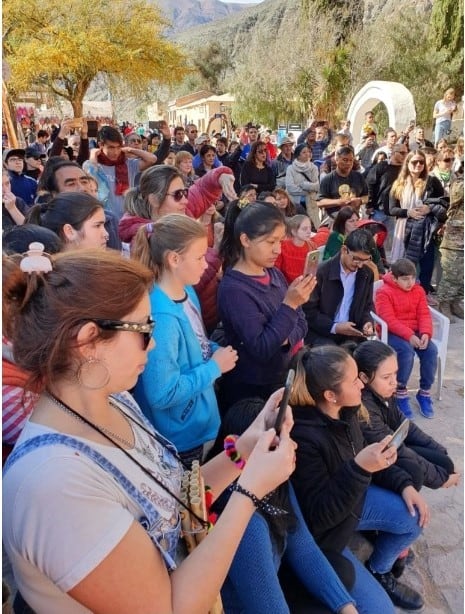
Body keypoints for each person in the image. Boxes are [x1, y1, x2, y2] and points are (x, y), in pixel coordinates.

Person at [2, 247, 296, 614]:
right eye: (144, 329)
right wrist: (249, 492)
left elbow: (171, 502)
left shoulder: (113, 399)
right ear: (88, 340)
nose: (153, 343)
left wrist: (245, 450)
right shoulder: (54, 484)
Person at [290, 345, 426, 613]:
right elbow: (318, 518)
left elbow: (368, 455)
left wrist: (404, 484)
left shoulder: (347, 412)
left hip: (355, 502)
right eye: (354, 380)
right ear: (331, 395)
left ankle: (379, 569)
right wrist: (359, 469)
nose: (361, 385)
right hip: (329, 533)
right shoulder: (304, 438)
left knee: (415, 516)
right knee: (382, 610)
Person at [209, 397, 358, 614]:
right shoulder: (248, 524)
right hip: (247, 607)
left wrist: (347, 607)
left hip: (270, 578)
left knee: (341, 572)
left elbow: (303, 547)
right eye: (279, 441)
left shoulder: (273, 481)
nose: (294, 445)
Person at [131, 215, 238, 466]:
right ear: (174, 259)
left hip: (201, 419)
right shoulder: (162, 316)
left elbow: (196, 341)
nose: (207, 264)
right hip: (182, 437)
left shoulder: (187, 290)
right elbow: (162, 393)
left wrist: (213, 350)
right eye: (200, 257)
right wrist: (214, 367)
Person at [218, 201, 313, 411]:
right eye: (270, 242)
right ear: (245, 240)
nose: (278, 249)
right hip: (254, 389)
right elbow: (262, 347)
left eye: (280, 241)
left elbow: (303, 322)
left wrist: (285, 339)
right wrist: (289, 305)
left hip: (283, 374)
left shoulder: (273, 274)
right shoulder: (234, 289)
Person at [120, 165, 236, 332]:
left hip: (202, 316)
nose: (186, 200)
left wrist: (221, 175)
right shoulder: (146, 238)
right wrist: (216, 252)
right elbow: (187, 281)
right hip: (185, 326)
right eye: (178, 195)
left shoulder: (174, 213)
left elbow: (202, 190)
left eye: (185, 192)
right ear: (153, 199)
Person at [352, 340, 459, 491]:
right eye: (386, 377)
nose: (394, 382)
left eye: (395, 373)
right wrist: (441, 479)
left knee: (444, 462)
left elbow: (405, 425)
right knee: (414, 473)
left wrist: (438, 449)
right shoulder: (363, 408)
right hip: (375, 461)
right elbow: (395, 449)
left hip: (392, 446)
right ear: (364, 377)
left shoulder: (383, 391)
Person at [375, 257, 438, 419]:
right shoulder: (384, 292)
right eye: (404, 279)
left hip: (415, 331)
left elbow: (424, 314)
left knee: (431, 350)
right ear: (394, 278)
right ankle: (400, 392)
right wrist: (409, 336)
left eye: (412, 278)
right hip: (392, 332)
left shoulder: (418, 290)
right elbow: (388, 319)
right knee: (406, 351)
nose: (410, 283)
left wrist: (425, 333)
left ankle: (424, 392)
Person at [303, 228, 376, 346]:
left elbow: (367, 305)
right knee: (336, 360)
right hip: (321, 332)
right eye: (356, 259)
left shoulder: (366, 274)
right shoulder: (321, 272)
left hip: (352, 333)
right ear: (344, 250)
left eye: (366, 260)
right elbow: (308, 311)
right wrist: (335, 327)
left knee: (375, 357)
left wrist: (367, 322)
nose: (360, 265)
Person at [389, 149, 445, 299]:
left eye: (421, 162)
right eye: (414, 162)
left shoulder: (431, 181)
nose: (418, 165)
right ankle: (401, 294)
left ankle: (423, 294)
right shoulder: (398, 184)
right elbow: (391, 209)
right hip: (404, 228)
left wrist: (429, 208)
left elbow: (445, 202)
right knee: (405, 263)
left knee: (426, 264)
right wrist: (408, 212)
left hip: (425, 229)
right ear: (407, 163)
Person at [83, 126, 157, 220]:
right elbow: (89, 178)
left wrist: (130, 149)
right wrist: (93, 156)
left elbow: (152, 159)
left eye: (118, 147)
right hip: (104, 219)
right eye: (111, 147)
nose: (115, 152)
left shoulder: (128, 164)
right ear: (101, 145)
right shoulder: (94, 165)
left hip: (127, 218)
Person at [26, 192, 109, 250]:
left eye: (103, 225)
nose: (106, 234)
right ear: (69, 231)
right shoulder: (50, 273)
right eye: (97, 226)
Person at [436, 169, 464, 320]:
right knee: (452, 274)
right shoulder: (460, 182)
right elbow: (456, 197)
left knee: (462, 277)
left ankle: (455, 302)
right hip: (456, 238)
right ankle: (444, 303)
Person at [317, 146, 368, 220]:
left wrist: (360, 200)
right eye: (345, 160)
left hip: (354, 220)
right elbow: (320, 202)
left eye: (351, 160)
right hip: (334, 220)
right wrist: (339, 202)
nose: (348, 163)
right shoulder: (328, 179)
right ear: (337, 160)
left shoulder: (359, 176)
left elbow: (366, 197)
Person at [285, 143, 320, 228]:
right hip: (295, 203)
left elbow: (317, 186)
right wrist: (308, 190)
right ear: (298, 155)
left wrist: (304, 185)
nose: (307, 154)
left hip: (311, 203)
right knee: (295, 227)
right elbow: (290, 188)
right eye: (304, 152)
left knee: (311, 227)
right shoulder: (290, 168)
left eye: (308, 151)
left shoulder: (314, 168)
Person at [275, 214, 313, 284]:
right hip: (285, 287)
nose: (309, 231)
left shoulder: (312, 246)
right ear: (294, 231)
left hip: (306, 286)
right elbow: (276, 272)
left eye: (310, 228)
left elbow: (312, 271)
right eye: (304, 229)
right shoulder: (283, 246)